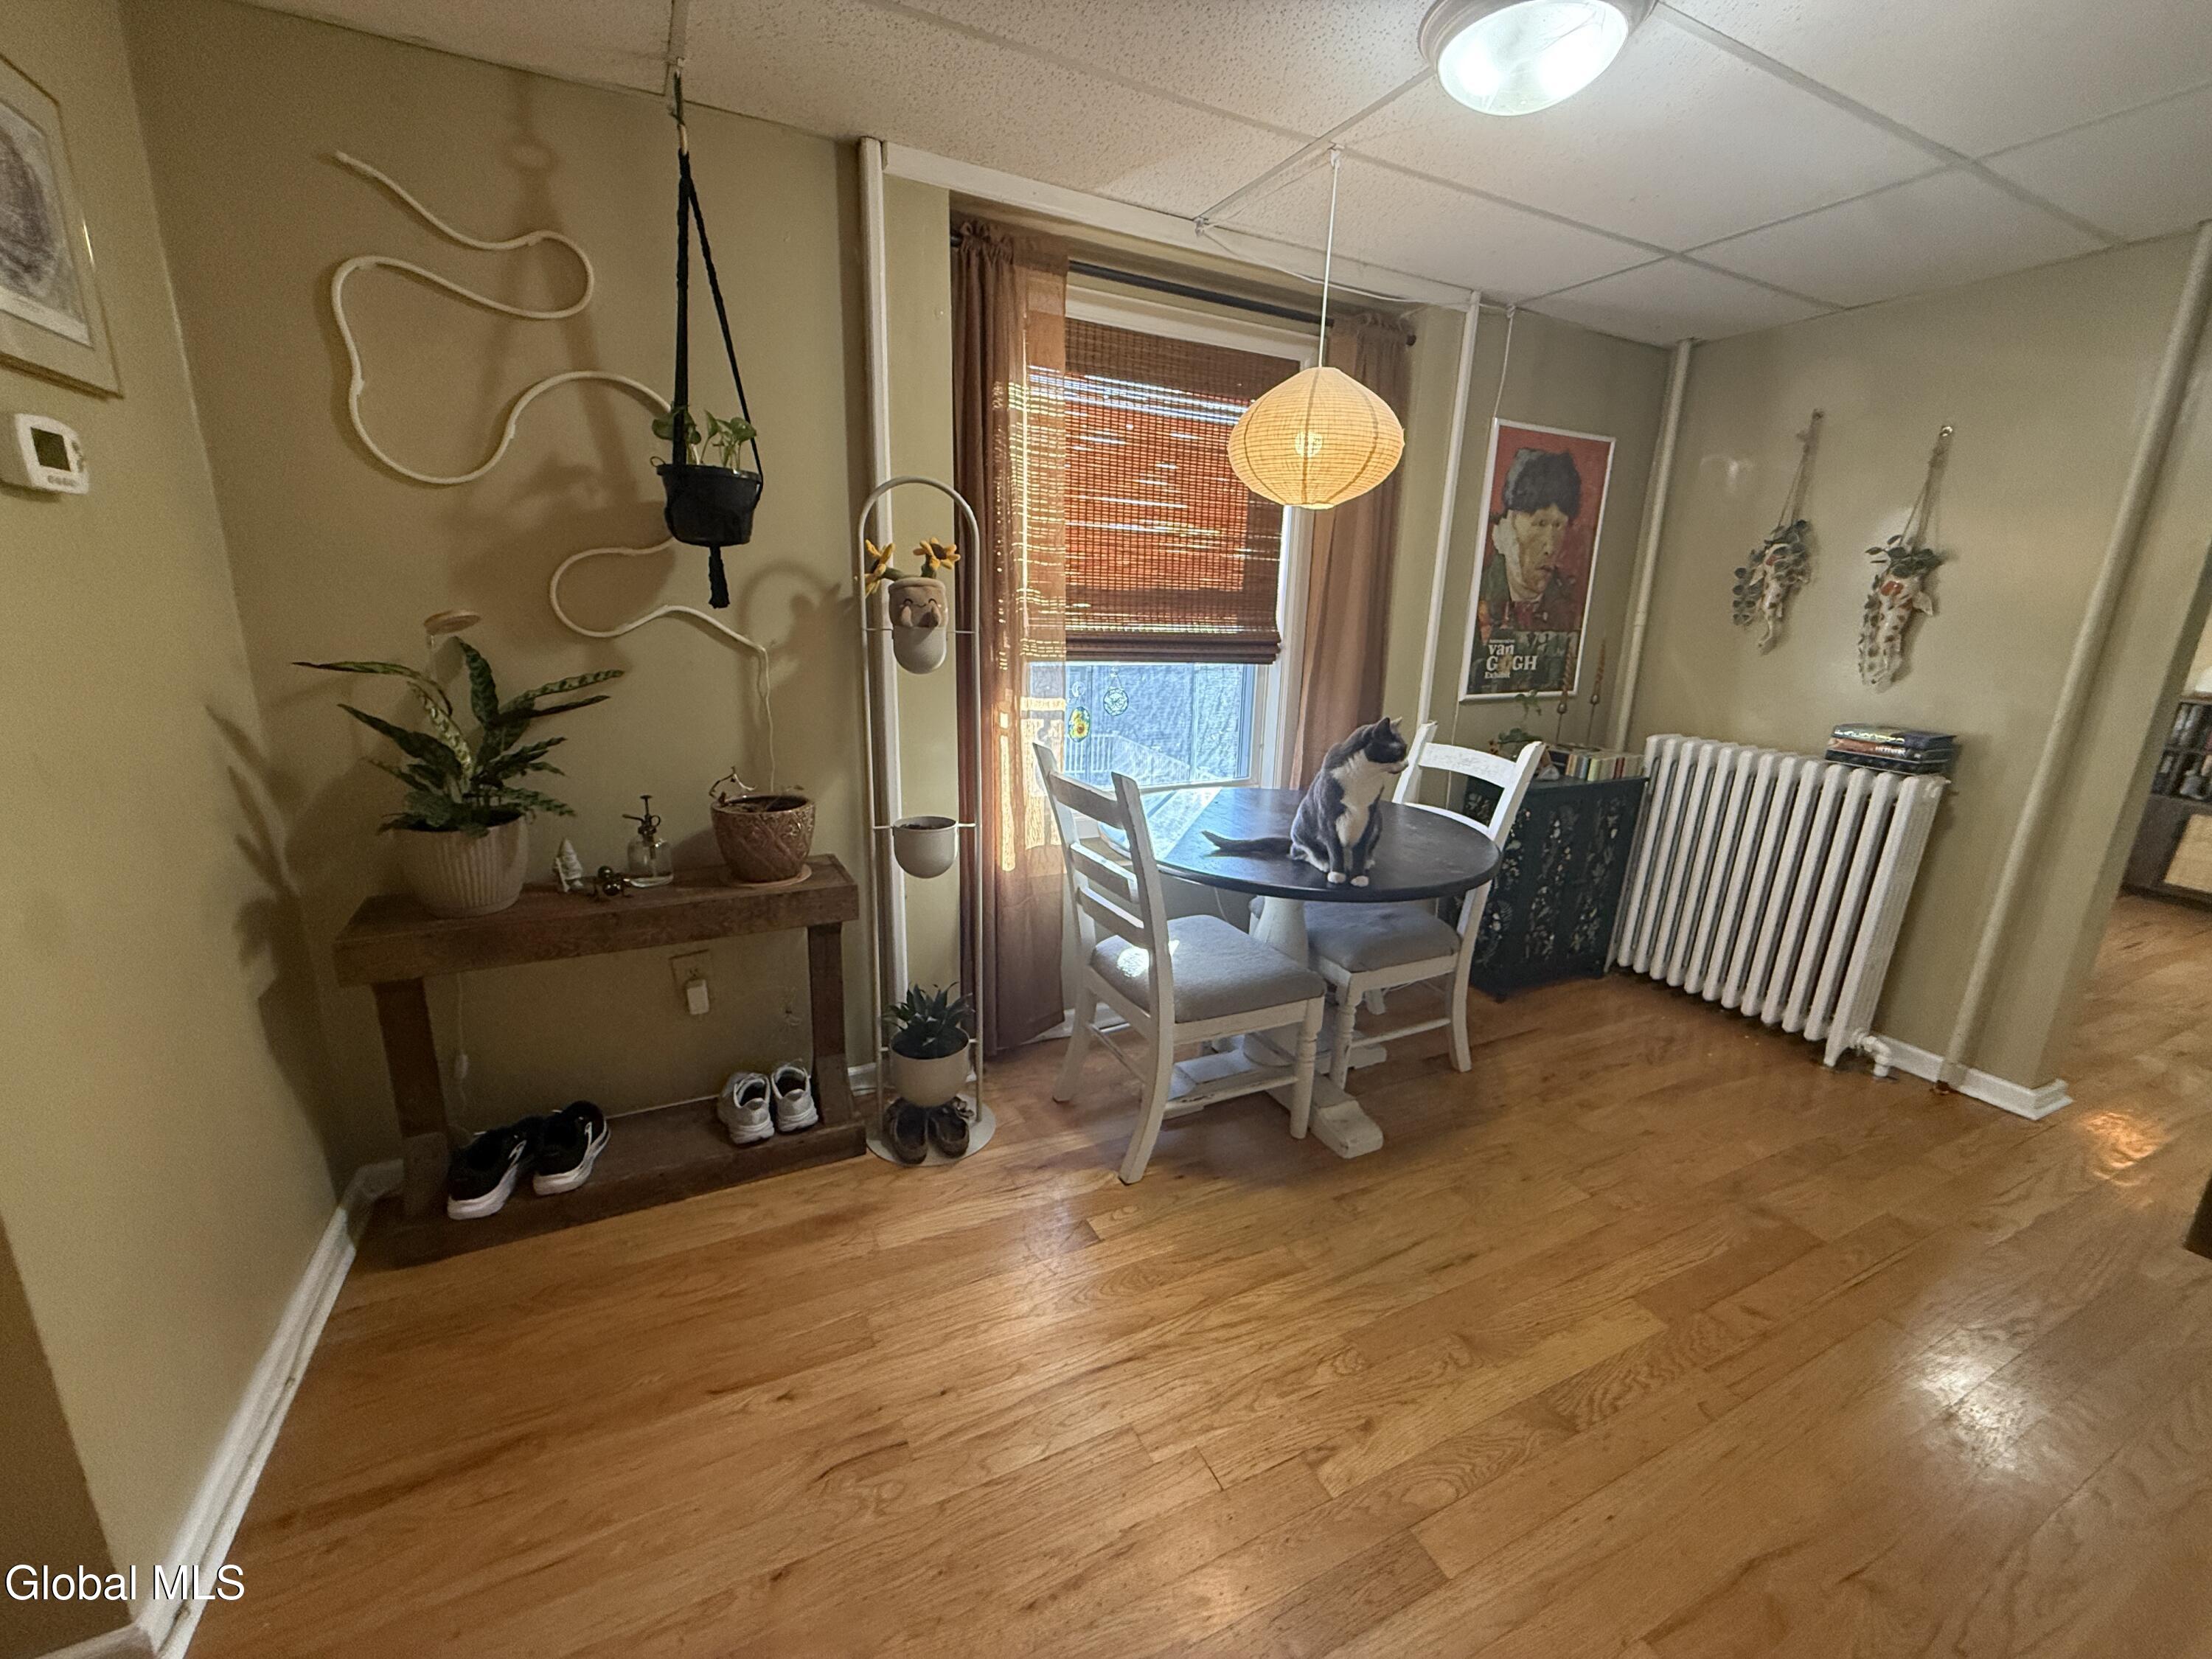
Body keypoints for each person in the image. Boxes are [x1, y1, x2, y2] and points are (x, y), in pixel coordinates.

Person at [1478, 446, 1584, 639]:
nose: (1550, 548)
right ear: (1508, 526)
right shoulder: (1476, 593)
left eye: (1559, 525)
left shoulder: (1572, 605)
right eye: (1540, 523)